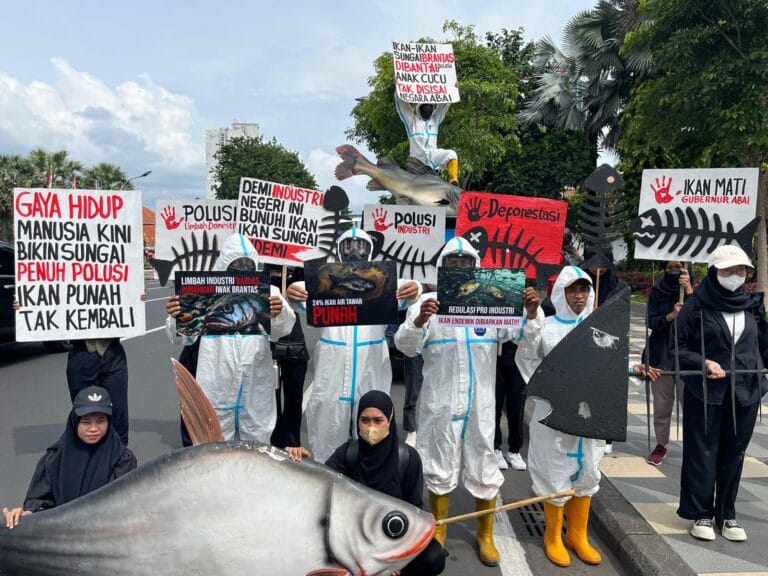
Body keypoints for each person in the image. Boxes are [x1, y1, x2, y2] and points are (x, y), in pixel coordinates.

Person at [394, 237, 522, 566]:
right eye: (453, 262)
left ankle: (485, 534)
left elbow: (516, 333)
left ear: (476, 266)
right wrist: (419, 321)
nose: (460, 268)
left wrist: (529, 308)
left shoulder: (490, 297)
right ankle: (439, 529)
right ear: (443, 266)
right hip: (440, 402)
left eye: (466, 263)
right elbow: (405, 345)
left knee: (484, 462)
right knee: (438, 462)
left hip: (481, 404)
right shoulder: (427, 303)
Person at [286, 227, 421, 462]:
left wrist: (415, 288)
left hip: (371, 369)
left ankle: (368, 481)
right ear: (339, 249)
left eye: (361, 246)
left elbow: (407, 288)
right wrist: (292, 291)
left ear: (370, 250)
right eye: (348, 246)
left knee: (371, 437)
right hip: (332, 372)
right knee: (329, 434)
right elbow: (302, 290)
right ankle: (330, 479)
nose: (355, 252)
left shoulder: (382, 281)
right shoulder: (325, 281)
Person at [286, 390, 446, 575]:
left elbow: (414, 508)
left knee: (434, 558)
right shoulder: (348, 453)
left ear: (390, 420)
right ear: (357, 422)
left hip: (391, 537)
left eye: (378, 420)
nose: (371, 427)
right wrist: (303, 462)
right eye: (365, 420)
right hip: (352, 537)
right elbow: (321, 484)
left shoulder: (408, 458)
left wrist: (397, 561)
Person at [676, 244, 767, 543]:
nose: (735, 275)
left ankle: (726, 514)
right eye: (729, 270)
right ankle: (701, 512)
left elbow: (764, 345)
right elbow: (677, 348)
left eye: (741, 270)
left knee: (734, 454)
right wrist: (703, 362)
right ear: (715, 272)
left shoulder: (753, 306)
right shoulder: (697, 305)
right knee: (703, 452)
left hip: (745, 392)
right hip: (706, 393)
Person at [166, 233, 296, 443]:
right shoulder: (205, 292)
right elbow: (183, 339)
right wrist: (176, 317)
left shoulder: (268, 292)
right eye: (237, 264)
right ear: (224, 264)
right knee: (214, 448)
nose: (243, 269)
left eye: (248, 264)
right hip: (217, 387)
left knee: (255, 450)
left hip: (255, 390)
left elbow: (284, 330)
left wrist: (277, 314)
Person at [515, 266, 604, 567]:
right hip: (553, 413)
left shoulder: (599, 326)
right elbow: (526, 356)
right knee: (554, 468)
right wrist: (531, 318)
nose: (579, 296)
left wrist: (637, 370)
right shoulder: (547, 327)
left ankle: (578, 535)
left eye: (584, 289)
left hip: (590, 414)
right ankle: (553, 535)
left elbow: (611, 365)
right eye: (572, 290)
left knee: (588, 468)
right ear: (560, 293)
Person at [3, 386, 137, 529]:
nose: (93, 428)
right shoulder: (54, 459)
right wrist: (26, 515)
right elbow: (38, 502)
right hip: (63, 535)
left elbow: (122, 506)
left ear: (109, 422)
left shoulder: (122, 459)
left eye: (100, 421)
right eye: (86, 422)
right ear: (74, 422)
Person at [645, 261, 693, 465]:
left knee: (691, 406)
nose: (674, 270)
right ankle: (661, 444)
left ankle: (694, 444)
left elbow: (703, 320)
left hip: (688, 359)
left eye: (678, 266)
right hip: (661, 356)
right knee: (662, 406)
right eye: (670, 266)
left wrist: (689, 292)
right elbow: (651, 322)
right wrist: (671, 316)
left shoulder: (695, 293)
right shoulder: (657, 291)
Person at [268, 266, 309, 449]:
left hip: (294, 344)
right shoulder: (256, 272)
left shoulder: (296, 270)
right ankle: (272, 441)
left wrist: (295, 289)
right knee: (269, 398)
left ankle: (292, 444)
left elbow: (311, 288)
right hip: (267, 343)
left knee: (293, 399)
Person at [394, 96, 459, 184]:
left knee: (452, 154)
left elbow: (444, 105)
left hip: (433, 157)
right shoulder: (412, 122)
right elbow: (402, 107)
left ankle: (453, 180)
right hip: (417, 161)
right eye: (425, 105)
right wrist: (398, 90)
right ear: (419, 107)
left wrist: (451, 90)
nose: (428, 108)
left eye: (430, 106)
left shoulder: (435, 120)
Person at [494, 341, 527, 471]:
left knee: (516, 408)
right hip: (494, 360)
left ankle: (514, 450)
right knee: (494, 406)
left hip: (519, 361)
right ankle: (495, 448)